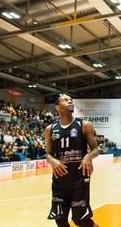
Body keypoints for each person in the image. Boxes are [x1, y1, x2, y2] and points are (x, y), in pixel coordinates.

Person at [45, 94, 99, 227]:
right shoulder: (50, 129)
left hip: (79, 179)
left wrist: (88, 156)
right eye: (65, 100)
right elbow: (47, 154)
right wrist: (52, 161)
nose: (70, 101)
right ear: (57, 107)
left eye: (71, 100)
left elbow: (96, 150)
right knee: (60, 220)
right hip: (59, 180)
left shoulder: (85, 125)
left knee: (80, 220)